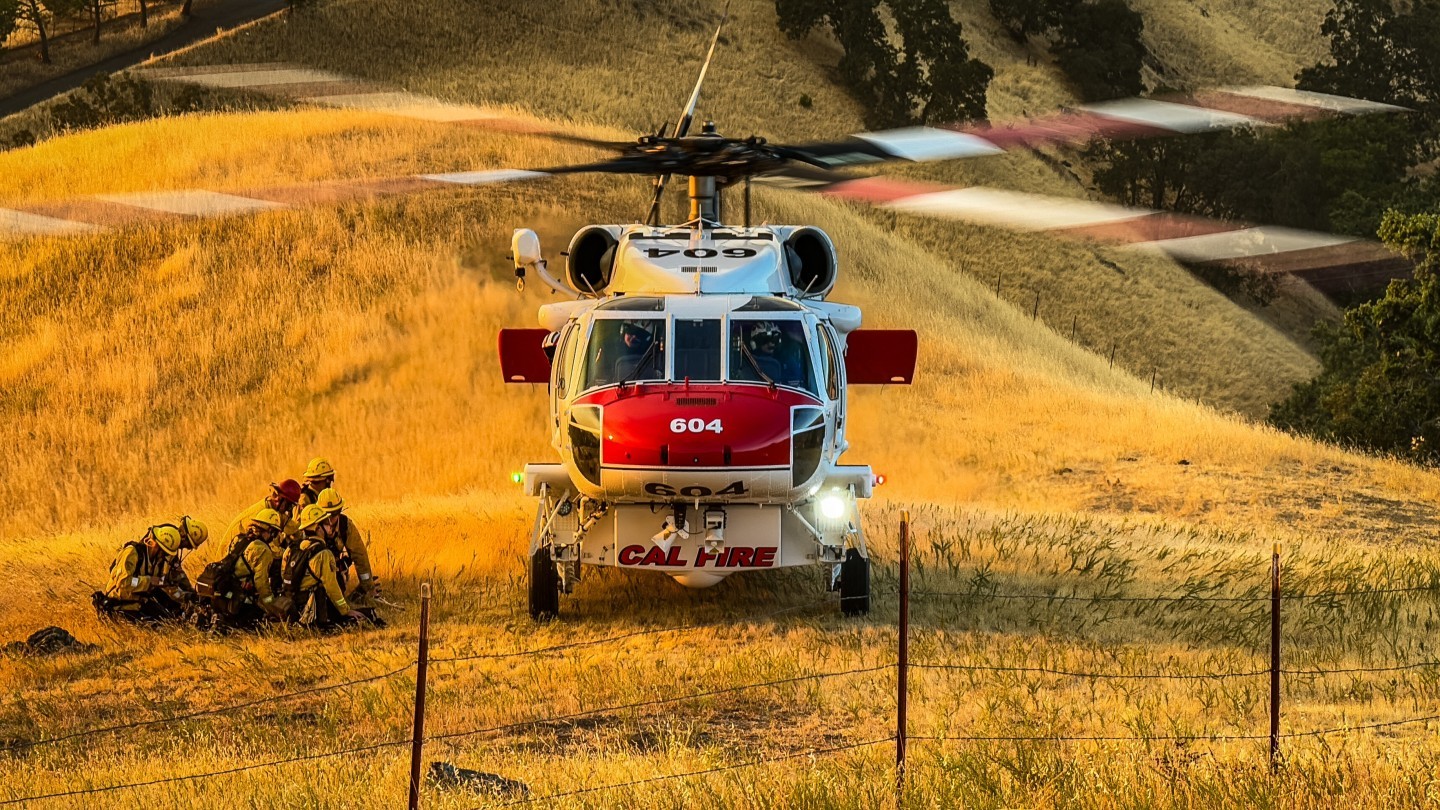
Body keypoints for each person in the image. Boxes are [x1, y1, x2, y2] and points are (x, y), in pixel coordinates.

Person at [193, 509, 288, 630]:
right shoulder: (263, 550)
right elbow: (261, 583)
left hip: (222, 588)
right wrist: (270, 604)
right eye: (275, 533)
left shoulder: (239, 538)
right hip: (235, 594)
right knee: (256, 618)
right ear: (271, 530)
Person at [283, 505, 365, 629]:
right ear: (317, 528)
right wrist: (346, 611)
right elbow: (331, 586)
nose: (330, 526)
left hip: (293, 608)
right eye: (326, 523)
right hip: (313, 613)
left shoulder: (291, 549)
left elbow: (283, 574)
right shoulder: (324, 554)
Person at [314, 488, 383, 626]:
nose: (329, 520)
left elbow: (360, 556)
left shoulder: (346, 526)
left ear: (339, 512)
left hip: (335, 575)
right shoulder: (312, 526)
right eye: (325, 515)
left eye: (333, 515)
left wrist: (368, 587)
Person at [93, 525, 186, 624]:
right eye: (164, 551)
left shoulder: (156, 561)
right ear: (155, 545)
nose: (165, 555)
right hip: (120, 606)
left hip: (139, 604)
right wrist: (148, 581)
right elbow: (124, 582)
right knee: (157, 627)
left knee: (172, 620)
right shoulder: (132, 553)